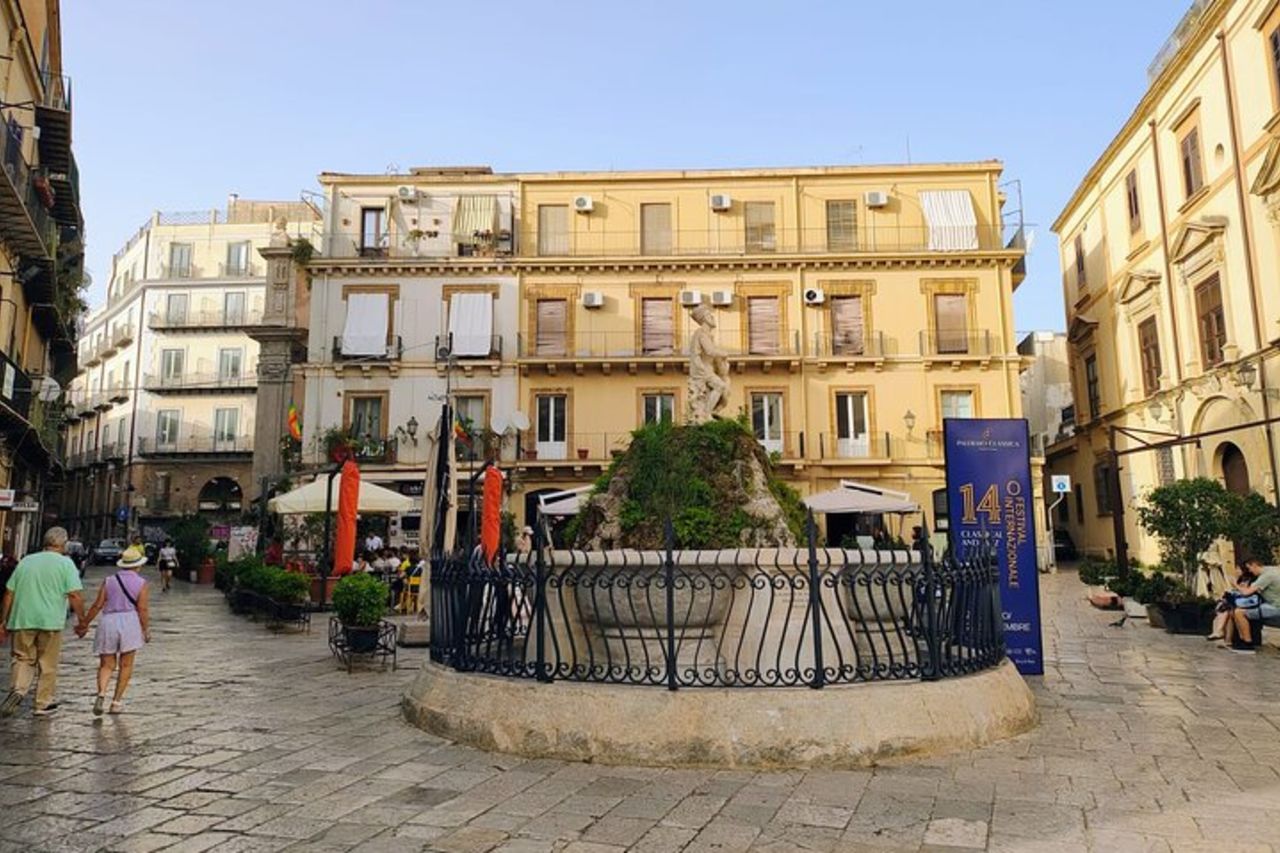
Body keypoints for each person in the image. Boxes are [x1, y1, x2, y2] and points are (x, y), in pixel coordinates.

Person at [0, 527, 85, 717]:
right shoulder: (66, 564)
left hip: (22, 619)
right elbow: (75, 595)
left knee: (22, 658)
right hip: (50, 621)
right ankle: (42, 703)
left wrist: (3, 621)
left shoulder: (26, 561)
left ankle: (18, 690)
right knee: (47, 663)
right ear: (62, 544)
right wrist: (82, 621)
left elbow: (9, 593)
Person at [76, 545, 150, 715]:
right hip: (130, 621)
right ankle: (116, 702)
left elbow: (97, 605)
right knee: (126, 664)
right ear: (138, 565)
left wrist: (85, 623)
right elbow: (143, 609)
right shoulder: (141, 583)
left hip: (109, 621)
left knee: (106, 664)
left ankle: (101, 693)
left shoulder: (109, 580)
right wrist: (145, 630)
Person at [1222, 558, 1280, 652]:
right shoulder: (1271, 570)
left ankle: (1247, 644)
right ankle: (1241, 640)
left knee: (1239, 612)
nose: (1250, 571)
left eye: (1249, 568)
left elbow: (1246, 592)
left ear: (1254, 565)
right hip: (1272, 604)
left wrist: (1235, 584)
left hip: (1276, 607)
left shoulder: (1266, 576)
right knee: (1235, 611)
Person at [1208, 561, 1260, 641]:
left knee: (1227, 609)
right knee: (1227, 610)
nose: (1236, 571)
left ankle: (1220, 632)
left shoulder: (1251, 580)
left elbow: (1245, 592)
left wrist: (1235, 585)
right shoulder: (1241, 579)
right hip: (1240, 602)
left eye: (1238, 569)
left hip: (1248, 604)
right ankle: (1225, 637)